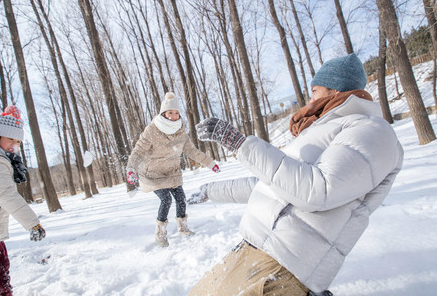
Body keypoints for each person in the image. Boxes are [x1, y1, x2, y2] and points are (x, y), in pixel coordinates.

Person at [189, 53, 404, 295]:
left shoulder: (372, 130)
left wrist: (240, 144)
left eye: (315, 90)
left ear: (334, 89)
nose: (309, 97)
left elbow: (318, 191)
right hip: (251, 249)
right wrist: (210, 191)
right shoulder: (321, 130)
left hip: (283, 265)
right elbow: (271, 184)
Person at [126, 92, 220, 247]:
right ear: (163, 113)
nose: (174, 116)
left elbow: (192, 151)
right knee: (166, 199)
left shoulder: (181, 132)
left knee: (181, 198)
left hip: (172, 172)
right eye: (170, 112)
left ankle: (183, 227)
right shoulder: (152, 130)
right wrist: (131, 169)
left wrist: (209, 163)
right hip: (152, 174)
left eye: (177, 113)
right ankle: (160, 233)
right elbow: (138, 152)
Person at [0, 105, 46, 295]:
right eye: (10, 139)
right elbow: (6, 195)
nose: (14, 145)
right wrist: (33, 223)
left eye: (18, 141)